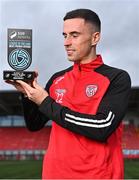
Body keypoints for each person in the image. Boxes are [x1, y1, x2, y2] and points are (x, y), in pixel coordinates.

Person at [6, 9, 131, 179]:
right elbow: (34, 124)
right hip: (54, 175)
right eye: (64, 35)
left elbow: (102, 127)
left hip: (97, 175)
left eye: (74, 35)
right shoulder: (58, 78)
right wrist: (27, 93)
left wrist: (45, 102)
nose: (66, 42)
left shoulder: (116, 78)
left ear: (95, 38)